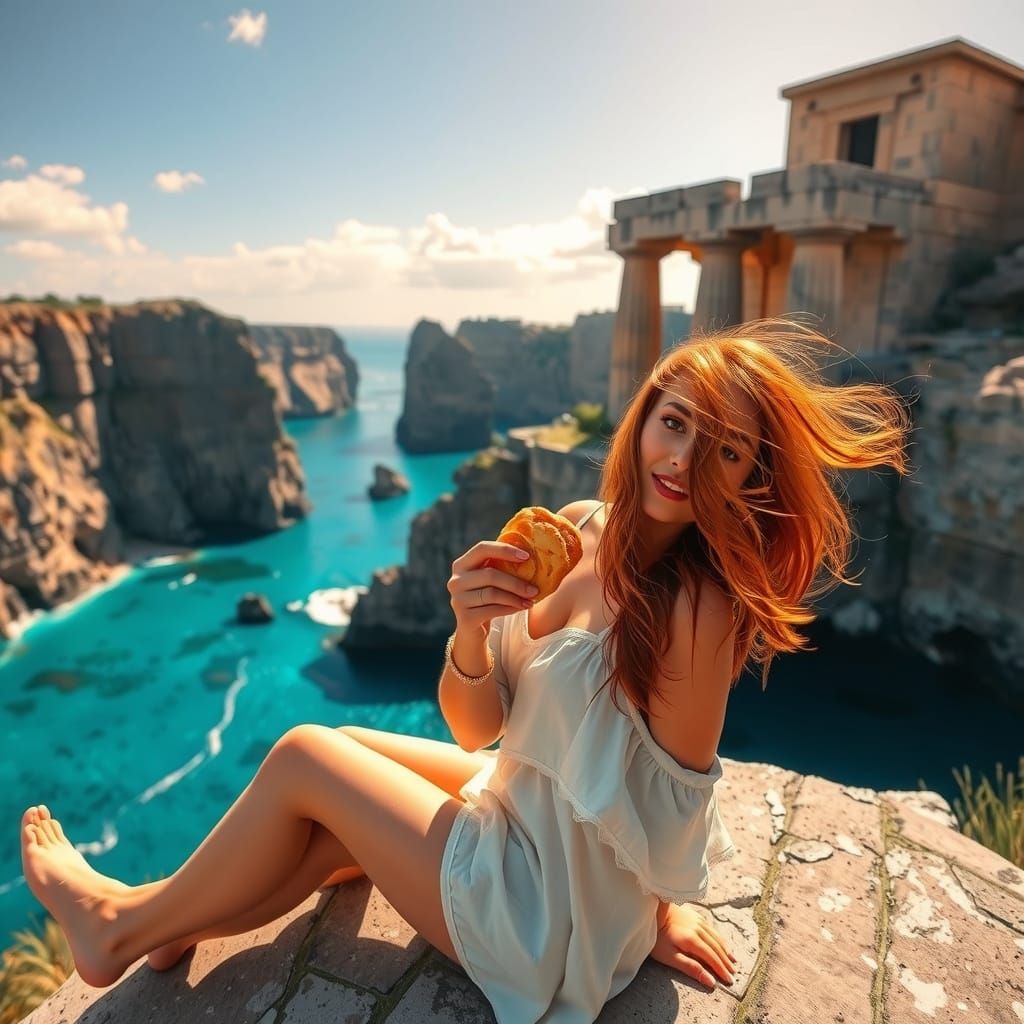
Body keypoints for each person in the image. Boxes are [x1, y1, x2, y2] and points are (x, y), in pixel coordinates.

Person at [20, 317, 909, 1022]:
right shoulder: (578, 526)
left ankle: (115, 927)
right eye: (673, 423)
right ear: (643, 418)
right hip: (524, 808)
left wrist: (660, 917)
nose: (680, 459)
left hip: (545, 915)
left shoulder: (697, 611)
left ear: (750, 469)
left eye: (722, 447)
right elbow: (479, 730)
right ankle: (164, 915)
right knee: (331, 819)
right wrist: (470, 631)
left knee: (302, 754)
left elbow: (679, 803)